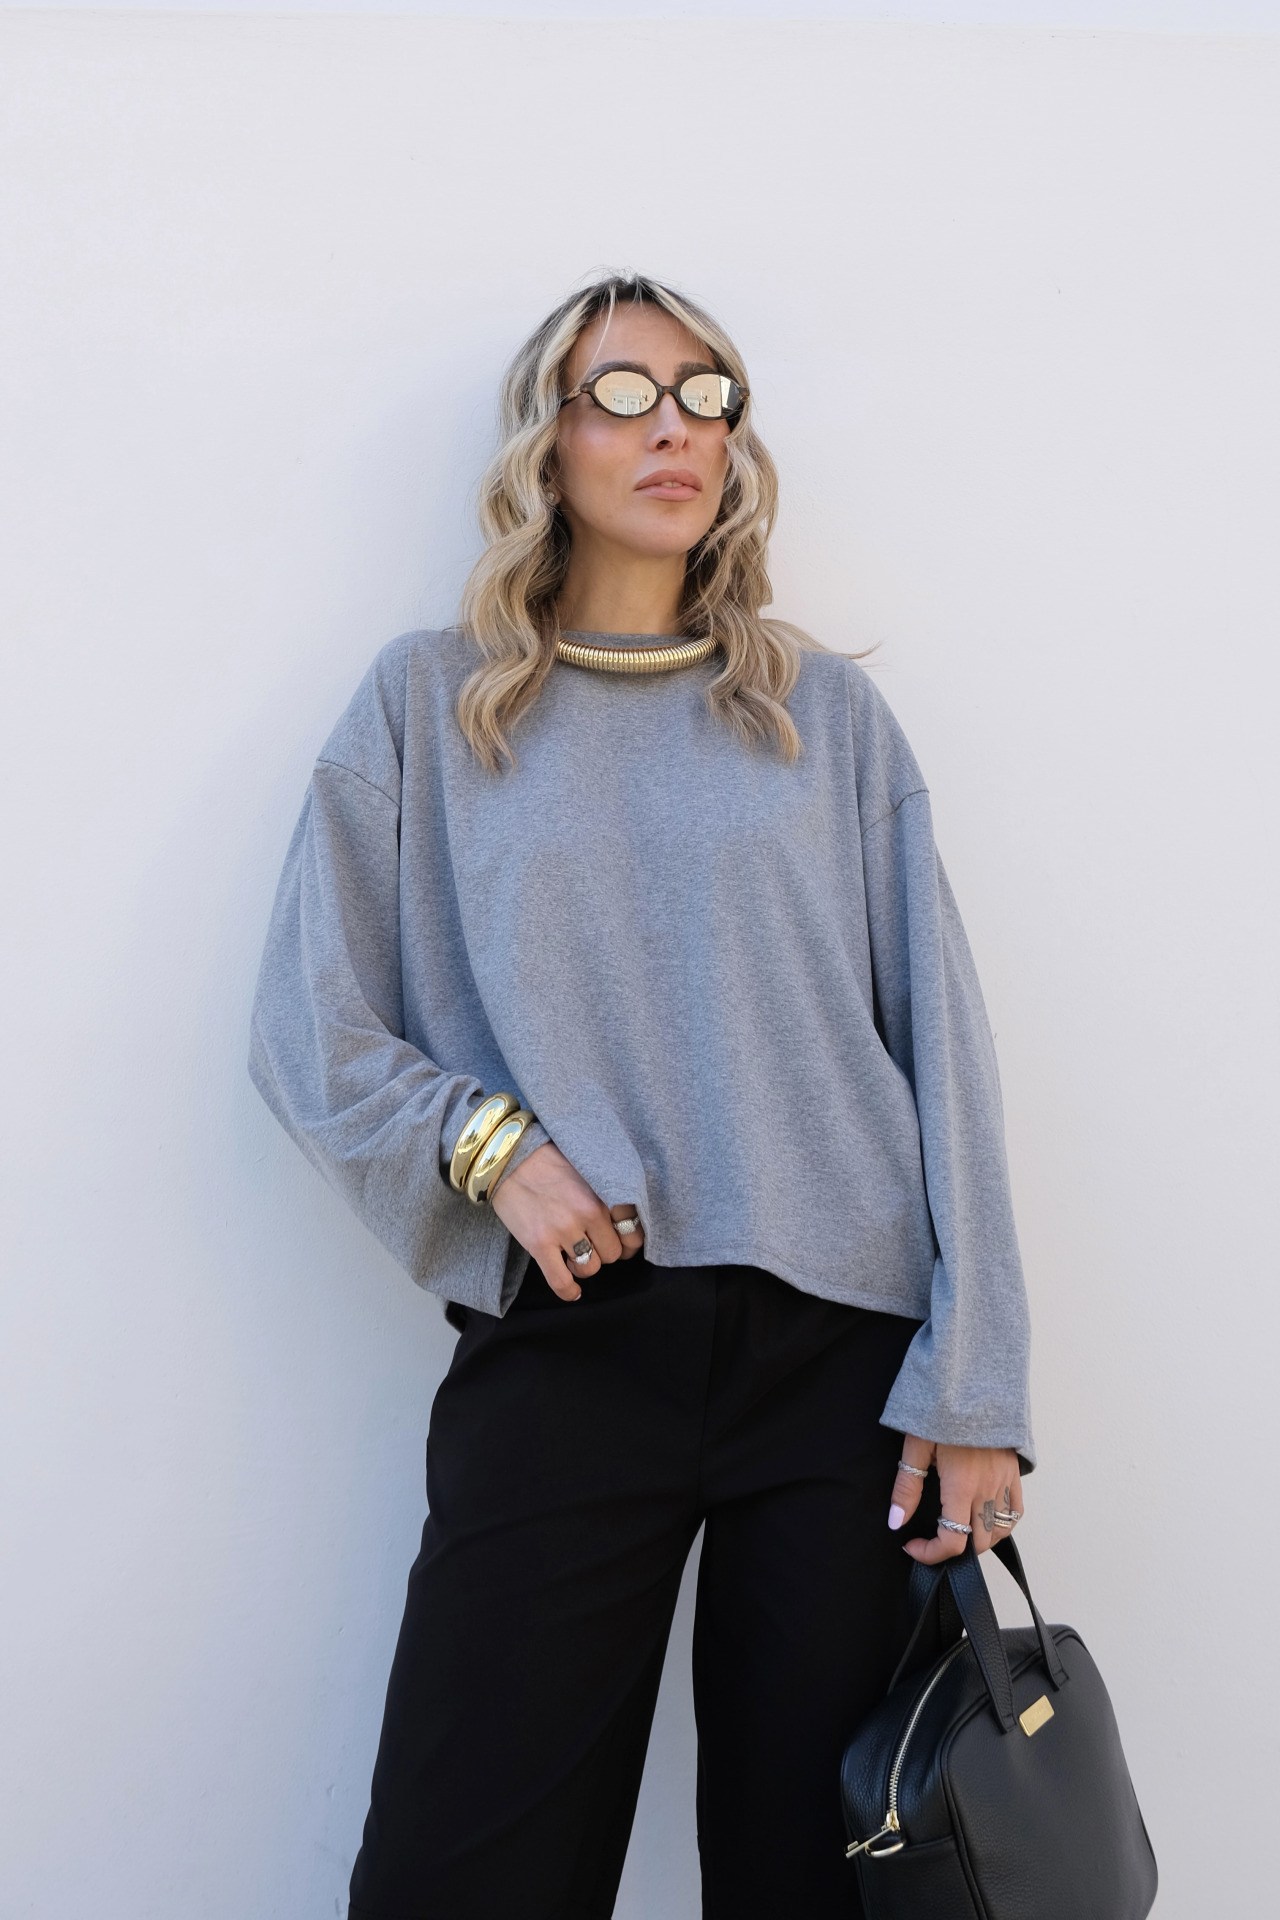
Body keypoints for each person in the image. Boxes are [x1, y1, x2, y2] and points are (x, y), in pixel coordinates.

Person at [249, 272, 1034, 1920]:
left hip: (841, 1370)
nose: (674, 426)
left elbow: (943, 1044)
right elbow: (307, 1029)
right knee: (461, 1872)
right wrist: (488, 1147)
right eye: (624, 392)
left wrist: (977, 1380)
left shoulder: (825, 716)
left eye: (706, 394)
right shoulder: (430, 703)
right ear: (548, 441)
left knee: (816, 1879)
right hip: (572, 1341)